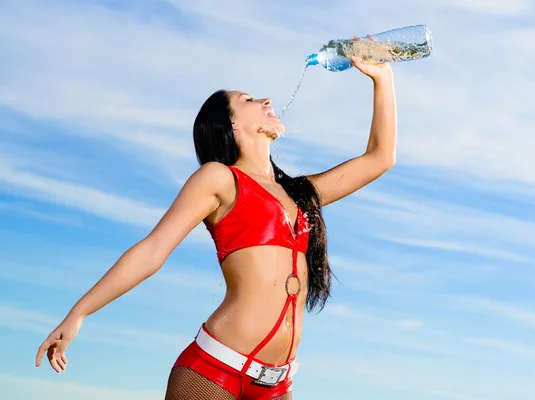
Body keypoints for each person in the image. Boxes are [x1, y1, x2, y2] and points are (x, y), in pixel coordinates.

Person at [35, 54, 397, 400]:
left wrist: (382, 79)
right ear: (232, 124)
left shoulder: (300, 193)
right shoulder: (220, 179)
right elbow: (152, 250)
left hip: (278, 383)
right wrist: (79, 313)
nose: (266, 100)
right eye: (250, 99)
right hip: (214, 371)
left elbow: (380, 158)